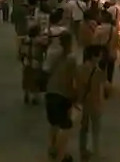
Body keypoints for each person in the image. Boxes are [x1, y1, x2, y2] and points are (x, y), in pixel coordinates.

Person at [44, 32, 77, 162]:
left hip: (50, 91)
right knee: (65, 126)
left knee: (53, 123)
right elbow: (73, 78)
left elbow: (46, 70)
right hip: (64, 94)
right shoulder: (71, 58)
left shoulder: (53, 54)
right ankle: (62, 154)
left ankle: (52, 147)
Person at [77, 45, 109, 161]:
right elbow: (101, 89)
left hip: (82, 103)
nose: (101, 58)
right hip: (94, 104)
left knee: (83, 129)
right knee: (96, 130)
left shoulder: (79, 68)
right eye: (99, 55)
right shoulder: (98, 72)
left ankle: (83, 151)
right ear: (93, 57)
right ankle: (96, 153)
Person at [93, 11, 120, 87]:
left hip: (102, 54)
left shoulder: (99, 29)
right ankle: (108, 86)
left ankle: (101, 86)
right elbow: (119, 42)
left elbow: (95, 41)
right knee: (110, 72)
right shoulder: (114, 29)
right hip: (112, 54)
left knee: (101, 70)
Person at [20, 24, 47, 104]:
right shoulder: (39, 41)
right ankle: (35, 97)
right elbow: (45, 48)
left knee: (27, 79)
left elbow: (21, 51)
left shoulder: (26, 40)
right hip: (36, 62)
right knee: (36, 80)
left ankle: (26, 95)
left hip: (27, 62)